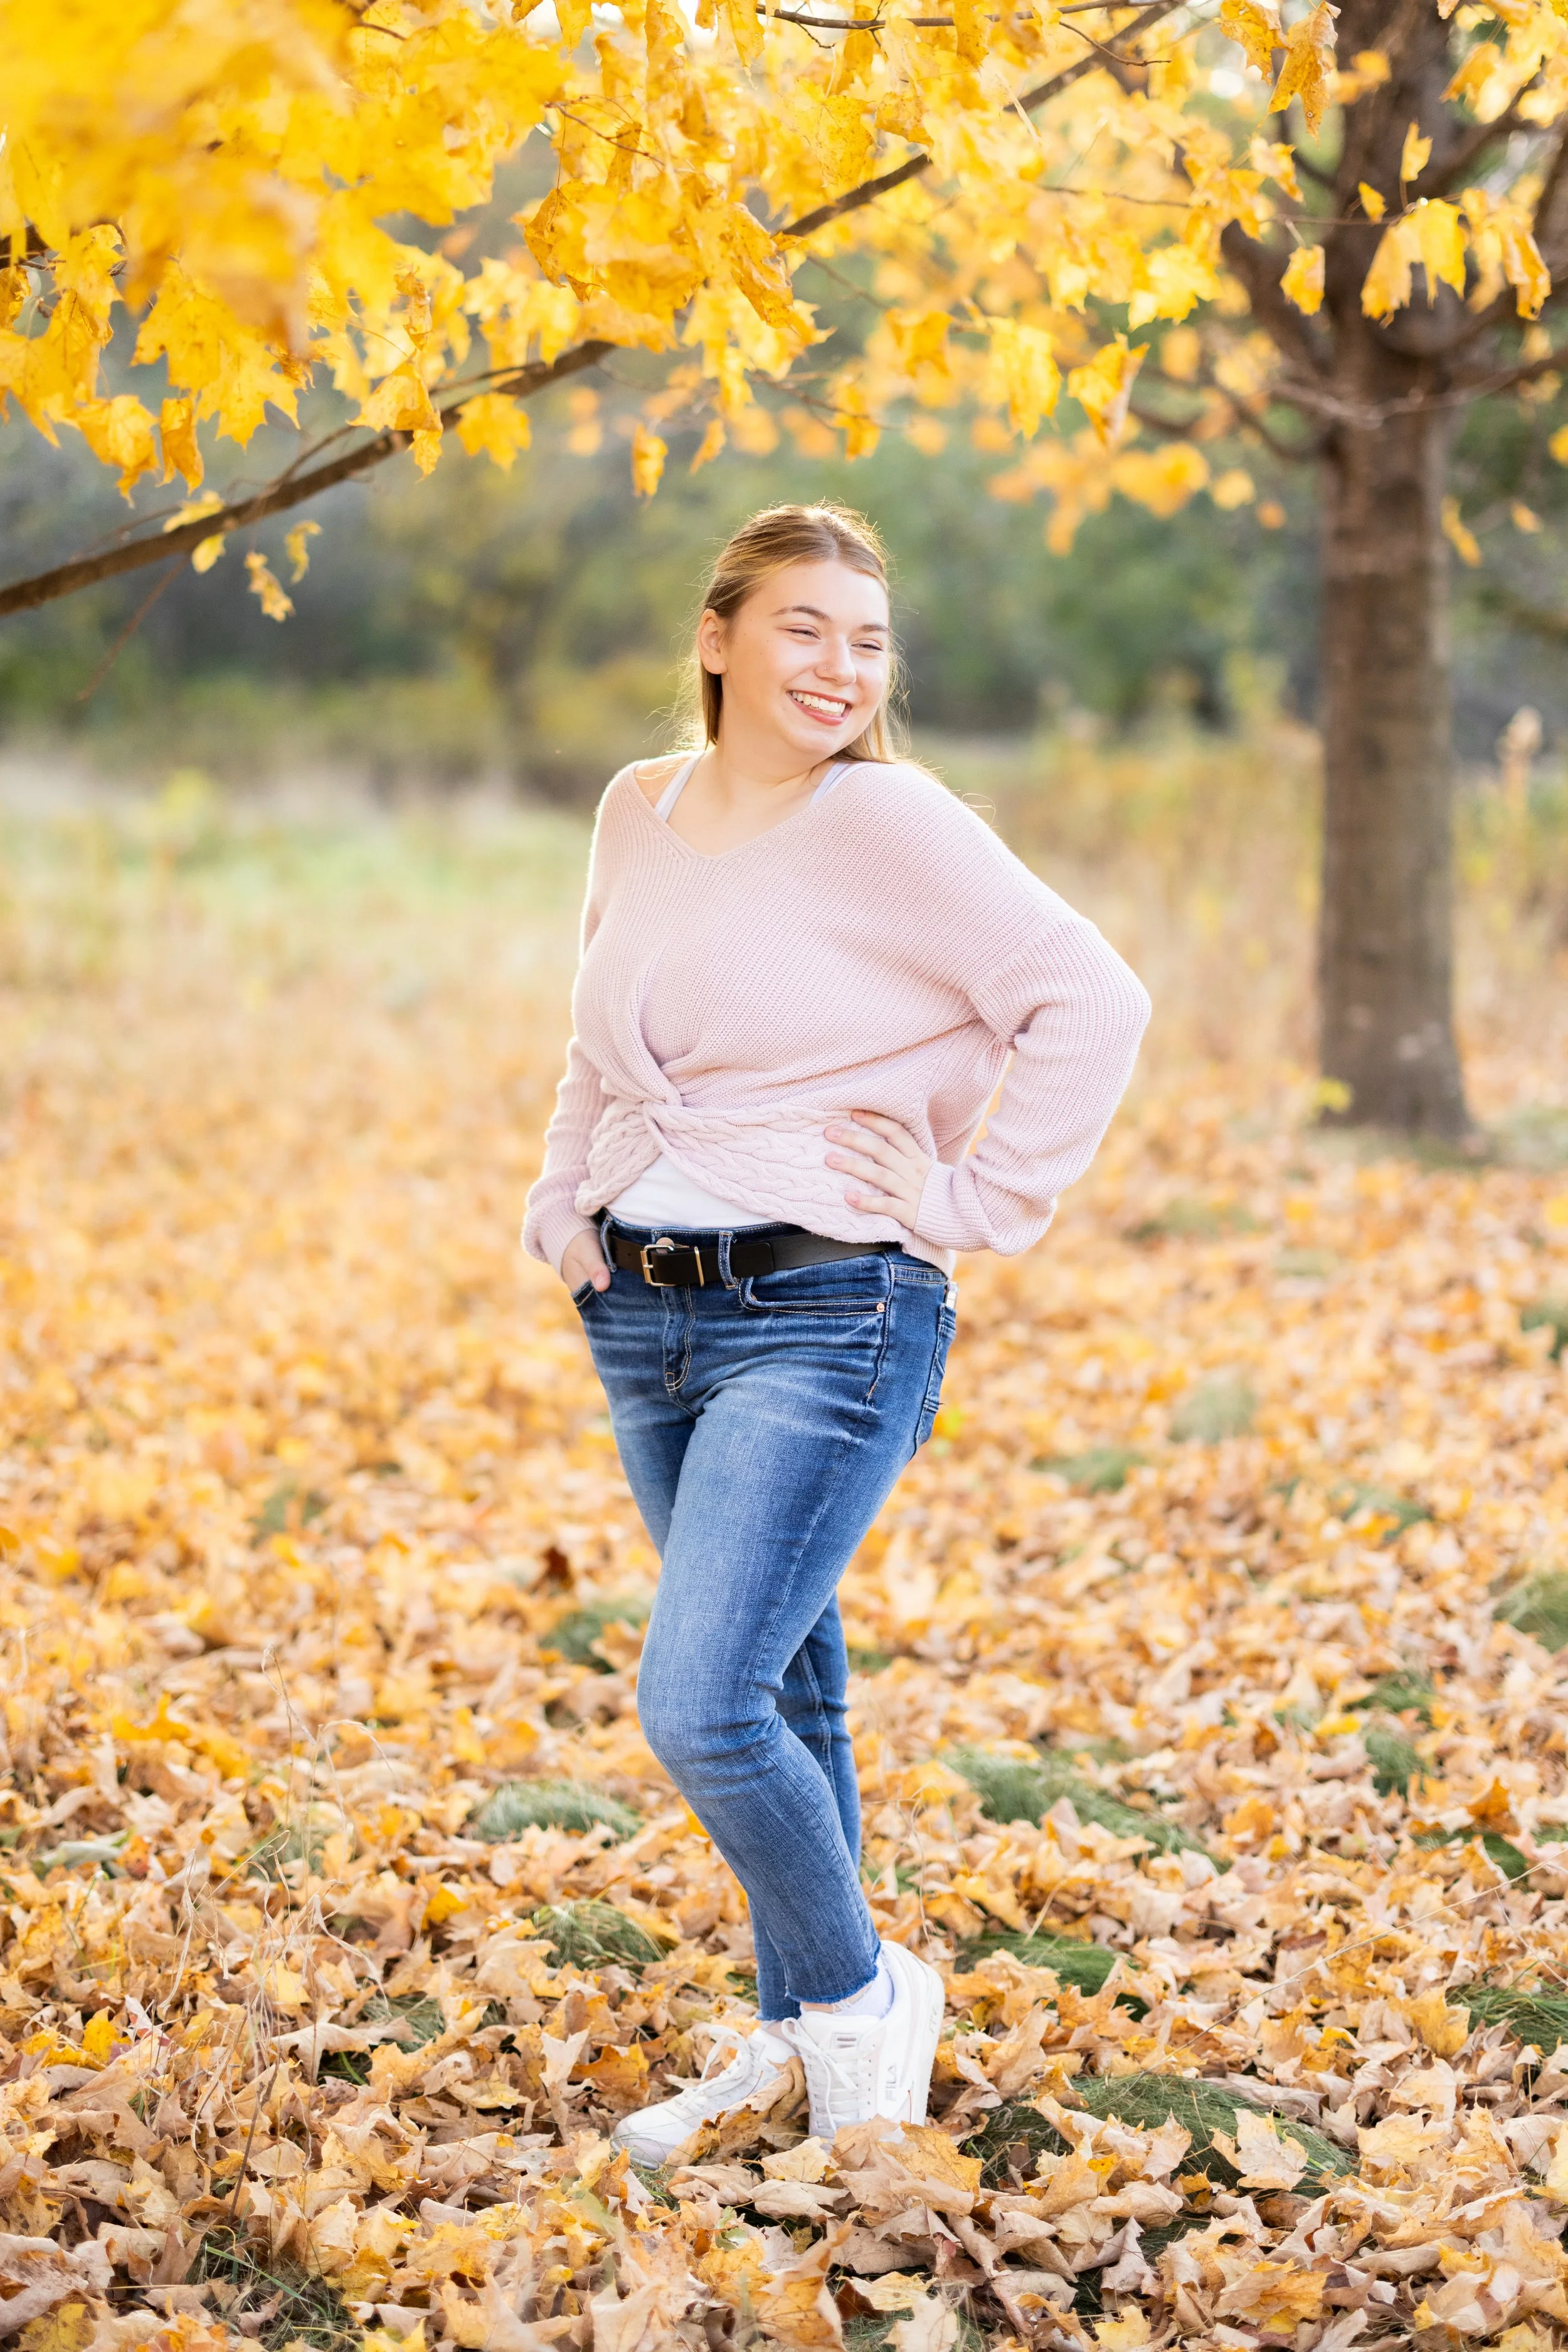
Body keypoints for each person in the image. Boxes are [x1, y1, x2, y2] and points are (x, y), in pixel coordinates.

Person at [522, 503, 1150, 2158]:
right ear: (717, 635)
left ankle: (863, 1997)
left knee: (700, 1701)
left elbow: (1094, 1000)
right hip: (644, 1309)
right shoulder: (636, 809)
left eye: (866, 639)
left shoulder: (894, 826)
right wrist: (562, 1188)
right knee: (785, 1693)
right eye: (804, 626)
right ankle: (802, 2041)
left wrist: (968, 1197)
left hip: (828, 1307)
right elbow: (602, 1032)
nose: (840, 663)